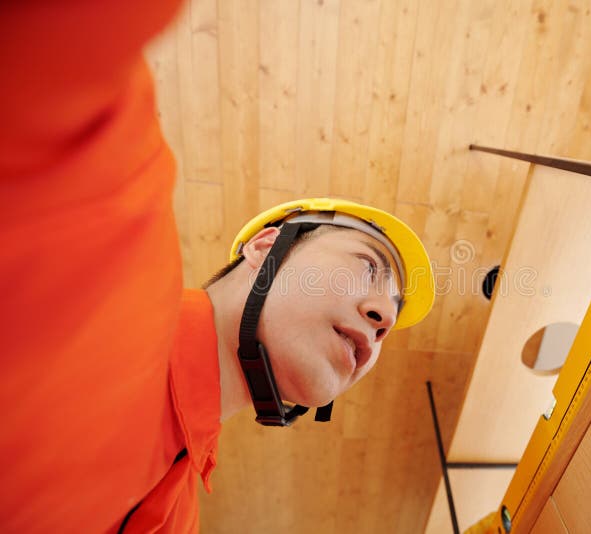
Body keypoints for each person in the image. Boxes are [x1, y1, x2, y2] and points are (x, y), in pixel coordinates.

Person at [0, 1, 434, 533]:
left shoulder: (179, 516)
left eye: (388, 317)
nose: (381, 319)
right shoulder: (111, 256)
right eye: (367, 268)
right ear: (266, 246)